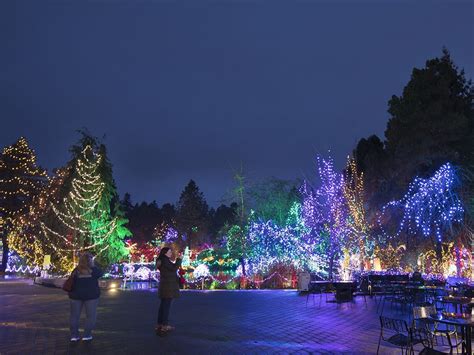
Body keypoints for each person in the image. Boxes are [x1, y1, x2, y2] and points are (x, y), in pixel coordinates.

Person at [68, 253, 103, 342]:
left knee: (74, 316)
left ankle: (74, 336)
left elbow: (72, 280)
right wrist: (93, 265)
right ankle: (87, 335)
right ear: (90, 261)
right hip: (91, 296)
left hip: (76, 296)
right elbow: (101, 273)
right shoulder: (94, 270)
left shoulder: (76, 270)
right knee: (91, 316)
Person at [156, 247, 182, 336]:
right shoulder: (165, 260)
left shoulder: (162, 260)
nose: (171, 253)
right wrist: (179, 260)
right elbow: (174, 268)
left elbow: (169, 270)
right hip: (168, 287)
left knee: (163, 305)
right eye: (170, 252)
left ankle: (160, 324)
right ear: (165, 253)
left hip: (165, 286)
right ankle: (164, 325)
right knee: (166, 306)